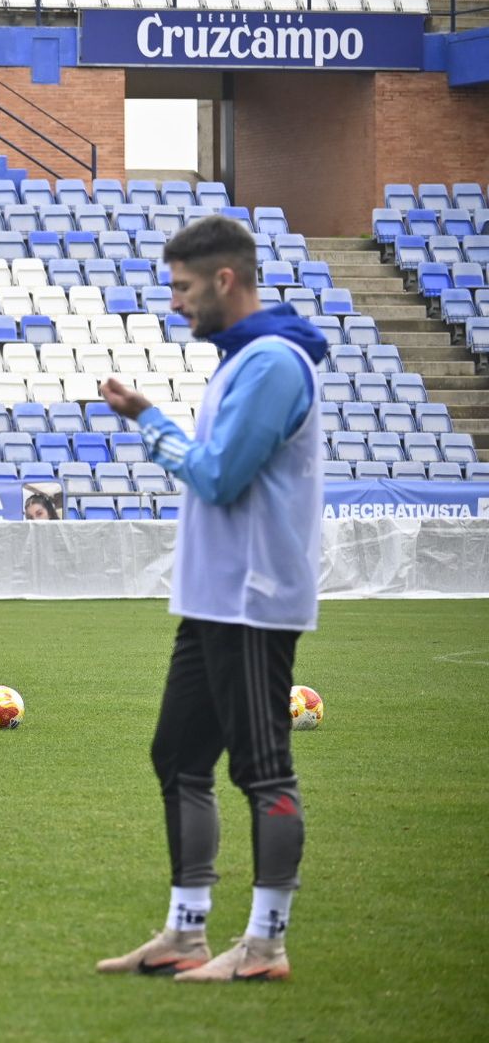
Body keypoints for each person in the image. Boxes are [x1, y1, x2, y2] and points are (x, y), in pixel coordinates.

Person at [95, 215, 326, 983]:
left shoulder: (273, 364)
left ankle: (265, 943)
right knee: (179, 755)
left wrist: (149, 421)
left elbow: (220, 477)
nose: (177, 304)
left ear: (226, 280)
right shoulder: (243, 360)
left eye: (184, 289)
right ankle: (187, 931)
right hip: (213, 599)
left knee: (264, 769)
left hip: (253, 599)